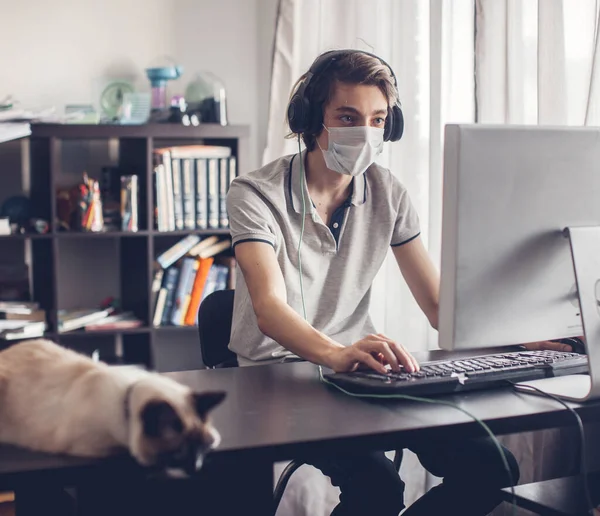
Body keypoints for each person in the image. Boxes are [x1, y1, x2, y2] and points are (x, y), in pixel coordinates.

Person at [226, 49, 576, 516]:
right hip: (277, 376)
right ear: (312, 118)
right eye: (348, 117)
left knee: (492, 467)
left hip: (359, 372)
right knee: (377, 488)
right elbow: (269, 308)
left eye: (378, 119)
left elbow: (437, 305)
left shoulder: (388, 191)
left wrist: (523, 338)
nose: (365, 133)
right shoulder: (253, 194)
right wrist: (336, 353)